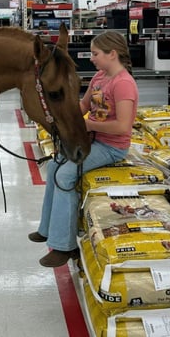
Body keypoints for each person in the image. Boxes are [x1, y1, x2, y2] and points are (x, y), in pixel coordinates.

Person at [29, 31, 139, 267]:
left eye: (95, 53)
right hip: (93, 140)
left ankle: (63, 246)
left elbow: (122, 126)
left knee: (66, 176)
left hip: (112, 147)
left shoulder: (124, 84)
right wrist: (60, 117)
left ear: (112, 54)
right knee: (56, 164)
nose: (91, 58)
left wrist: (88, 124)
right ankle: (47, 228)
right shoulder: (100, 77)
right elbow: (82, 106)